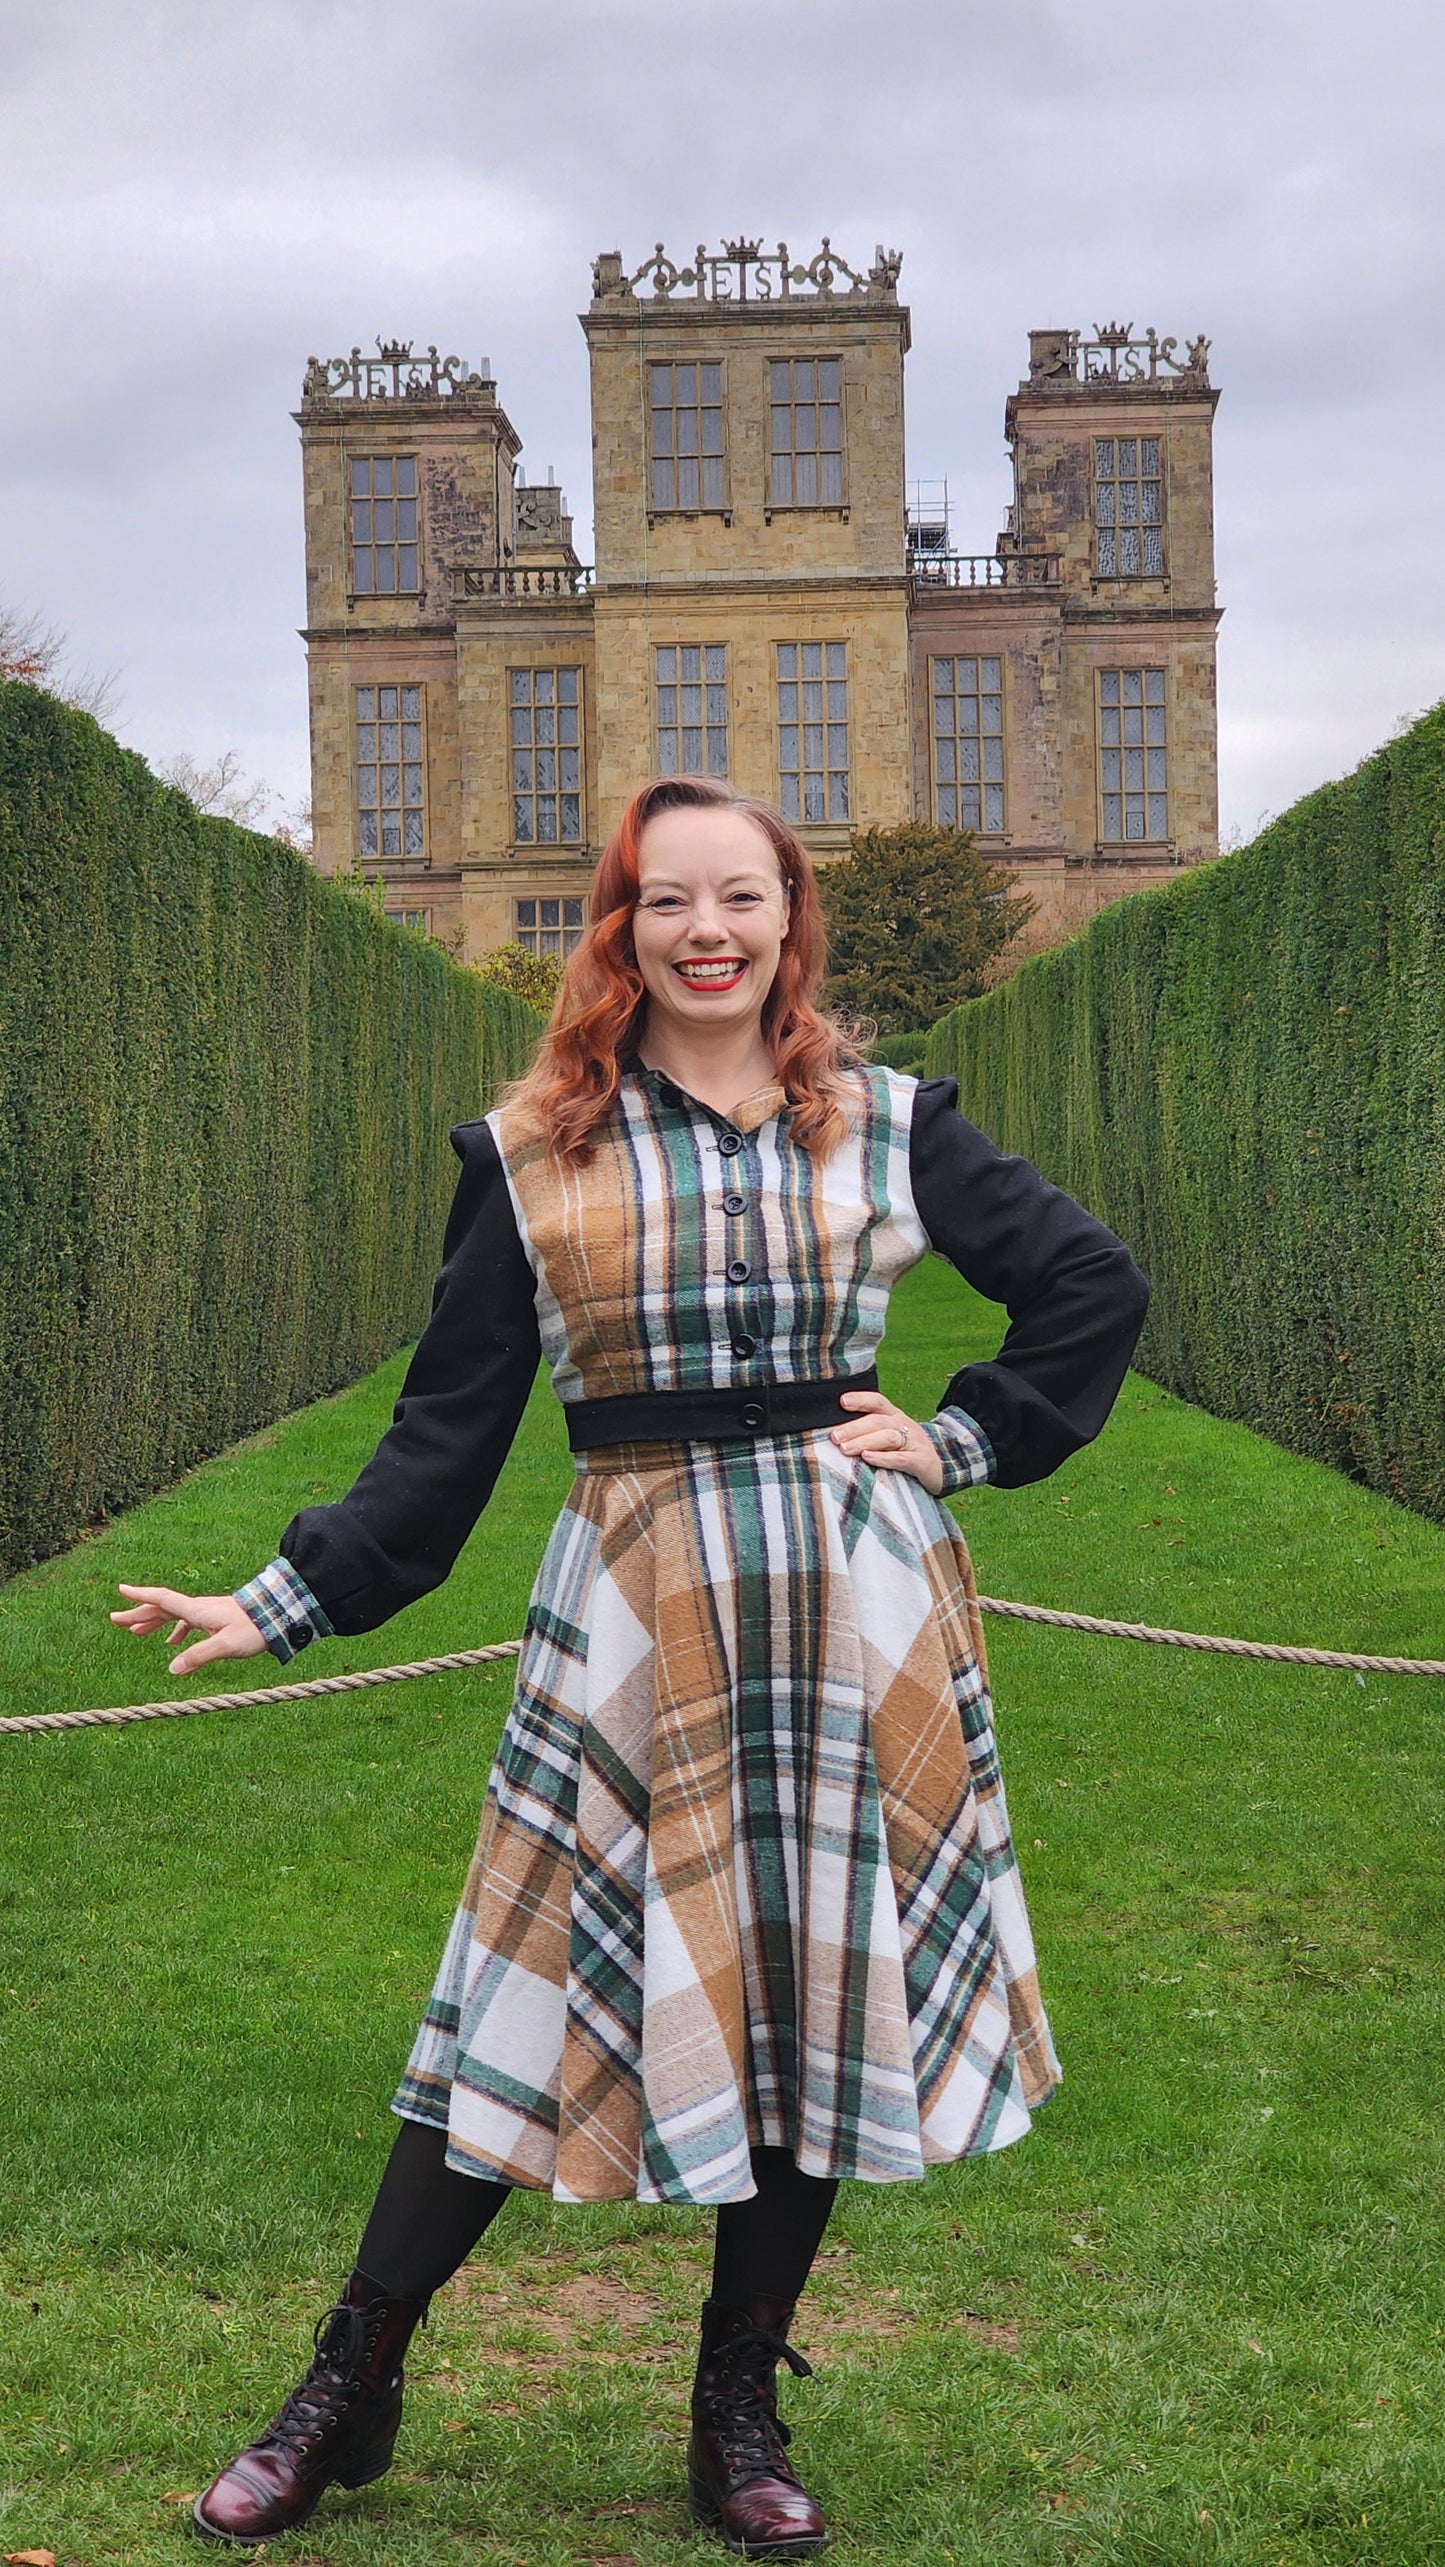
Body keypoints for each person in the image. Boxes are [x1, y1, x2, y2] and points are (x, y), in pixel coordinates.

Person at [113, 775, 1148, 2557]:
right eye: (667, 902)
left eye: (739, 898)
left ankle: (735, 2404)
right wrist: (279, 1600)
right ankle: (346, 2379)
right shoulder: (529, 1153)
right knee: (517, 1994)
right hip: (632, 1607)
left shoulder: (889, 1126)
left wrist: (964, 1440)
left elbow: (1087, 1285)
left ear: (787, 919)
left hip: (849, 1608)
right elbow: (444, 1436)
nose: (707, 933)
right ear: (619, 930)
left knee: (813, 1998)